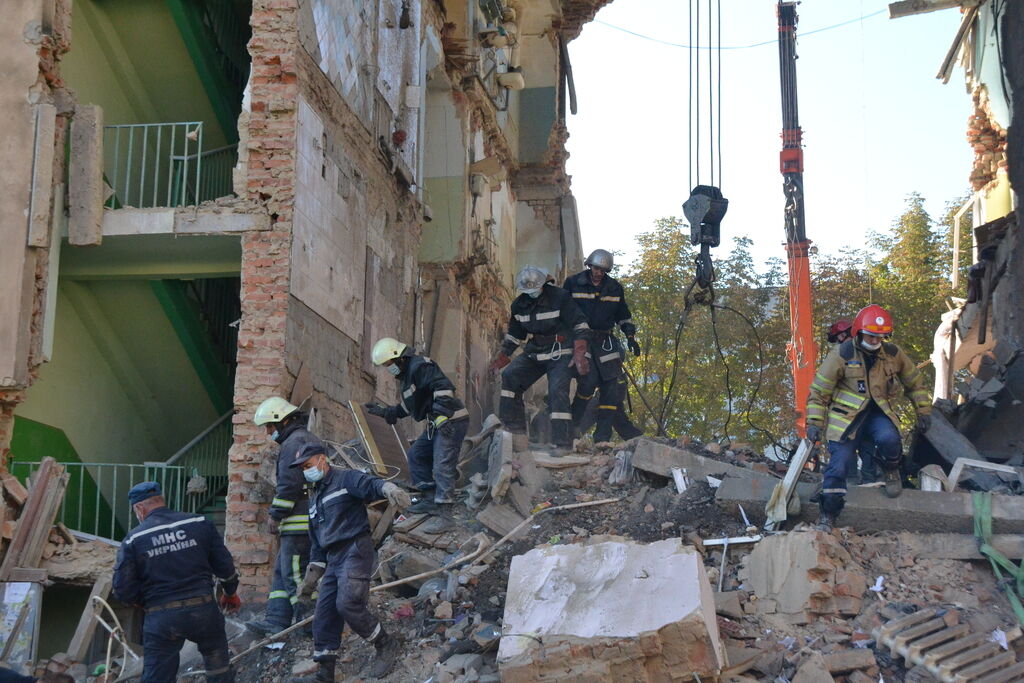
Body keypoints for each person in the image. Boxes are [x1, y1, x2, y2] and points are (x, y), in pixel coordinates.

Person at [290, 444, 412, 682]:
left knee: (347, 603)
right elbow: (317, 544)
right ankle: (325, 674)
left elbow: (370, 484)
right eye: (303, 468)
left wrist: (389, 488)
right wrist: (310, 579)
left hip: (355, 549)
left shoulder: (345, 479)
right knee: (324, 614)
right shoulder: (315, 500)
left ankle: (386, 644)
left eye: (308, 465)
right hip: (333, 558)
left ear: (322, 459)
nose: (306, 471)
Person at [806, 304, 932, 529]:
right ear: (859, 332)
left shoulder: (893, 354)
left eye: (880, 337)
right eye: (871, 336)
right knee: (839, 465)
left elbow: (915, 382)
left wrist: (923, 410)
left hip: (877, 414)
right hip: (845, 419)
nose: (875, 341)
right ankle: (828, 514)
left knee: (890, 439)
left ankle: (891, 470)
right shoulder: (842, 354)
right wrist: (814, 423)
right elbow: (819, 392)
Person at [112, 482, 240, 683]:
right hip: (204, 611)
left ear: (139, 508)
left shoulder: (134, 539)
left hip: (162, 618)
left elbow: (122, 590)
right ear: (161, 500)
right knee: (219, 670)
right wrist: (230, 593)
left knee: (157, 678)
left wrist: (144, 603)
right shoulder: (199, 522)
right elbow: (225, 567)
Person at [489, 265, 591, 450]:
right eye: (528, 290)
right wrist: (502, 357)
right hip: (535, 351)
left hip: (560, 351)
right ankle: (515, 431)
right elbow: (514, 335)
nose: (532, 293)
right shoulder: (519, 305)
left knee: (557, 392)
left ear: (544, 284)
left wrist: (579, 353)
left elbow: (580, 325)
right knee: (510, 377)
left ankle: (562, 443)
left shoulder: (560, 297)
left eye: (535, 289)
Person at [364, 337, 469, 515]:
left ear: (399, 357)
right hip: (437, 422)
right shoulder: (407, 378)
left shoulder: (420, 366)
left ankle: (445, 515)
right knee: (416, 454)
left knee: (442, 464)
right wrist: (386, 412)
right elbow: (411, 407)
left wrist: (441, 416)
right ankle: (429, 499)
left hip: (451, 420)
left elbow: (443, 389)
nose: (388, 368)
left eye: (388, 363)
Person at [246, 397, 320, 636]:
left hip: (299, 522)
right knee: (282, 570)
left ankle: (308, 623)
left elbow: (289, 485)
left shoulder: (293, 443)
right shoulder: (304, 439)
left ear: (283, 420)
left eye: (270, 426)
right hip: (304, 520)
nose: (268, 432)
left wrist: (275, 515)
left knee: (296, 574)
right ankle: (277, 619)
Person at [563, 249, 643, 442]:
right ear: (589, 265)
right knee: (588, 383)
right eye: (596, 268)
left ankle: (602, 440)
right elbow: (563, 310)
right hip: (581, 340)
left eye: (603, 270)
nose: (599, 273)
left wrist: (630, 336)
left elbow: (623, 315)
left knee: (611, 387)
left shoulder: (614, 288)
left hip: (606, 342)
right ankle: (571, 430)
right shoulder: (573, 283)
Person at [827, 318, 878, 484]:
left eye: (838, 338)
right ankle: (864, 483)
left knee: (860, 451)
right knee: (864, 450)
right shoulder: (868, 354)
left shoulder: (844, 356)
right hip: (862, 416)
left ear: (842, 335)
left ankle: (859, 484)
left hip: (850, 418)